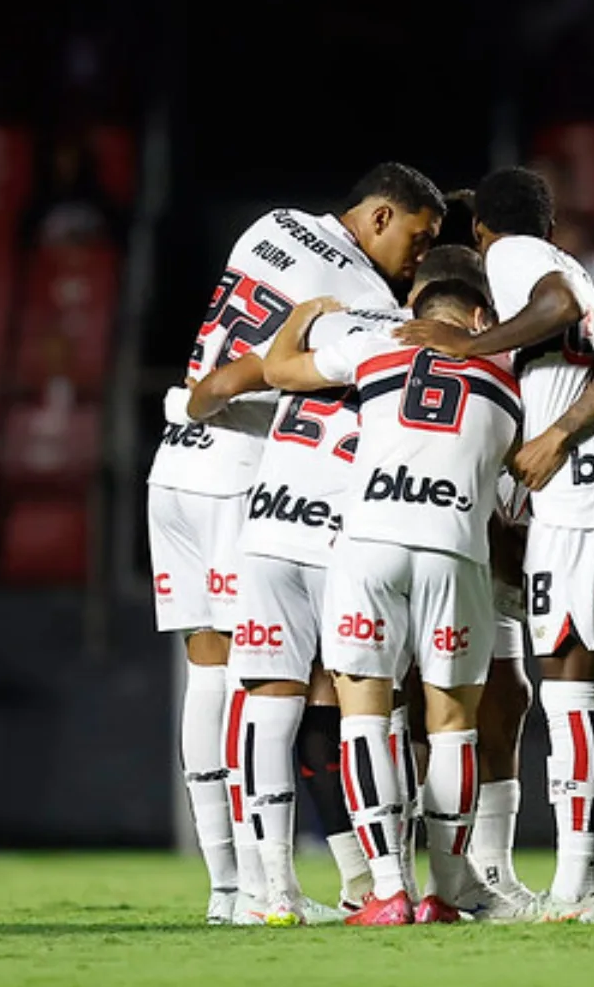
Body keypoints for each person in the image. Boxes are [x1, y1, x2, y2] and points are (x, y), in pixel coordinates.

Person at [145, 162, 444, 924]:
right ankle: (255, 888)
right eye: (417, 238)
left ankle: (229, 887)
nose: (416, 258)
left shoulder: (273, 223)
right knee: (265, 682)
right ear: (380, 216)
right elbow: (260, 369)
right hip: (247, 469)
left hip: (176, 465)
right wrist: (216, 394)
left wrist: (191, 401)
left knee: (208, 676)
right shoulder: (365, 295)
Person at [397, 167, 594, 922]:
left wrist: (471, 344)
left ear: (484, 231)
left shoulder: (514, 256)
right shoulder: (589, 276)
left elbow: (556, 305)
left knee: (570, 689)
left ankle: (575, 888)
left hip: (578, 495)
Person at [264, 278, 520, 926]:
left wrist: (306, 312)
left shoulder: (378, 346)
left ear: (416, 314)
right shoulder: (509, 369)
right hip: (455, 545)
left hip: (370, 541)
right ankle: (445, 891)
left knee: (364, 718)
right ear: (481, 317)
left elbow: (278, 369)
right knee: (453, 724)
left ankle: (387, 891)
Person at [17, 133, 127, 250]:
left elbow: (114, 239)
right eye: (62, 157)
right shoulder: (39, 207)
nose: (67, 164)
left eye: (71, 157)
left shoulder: (99, 203)